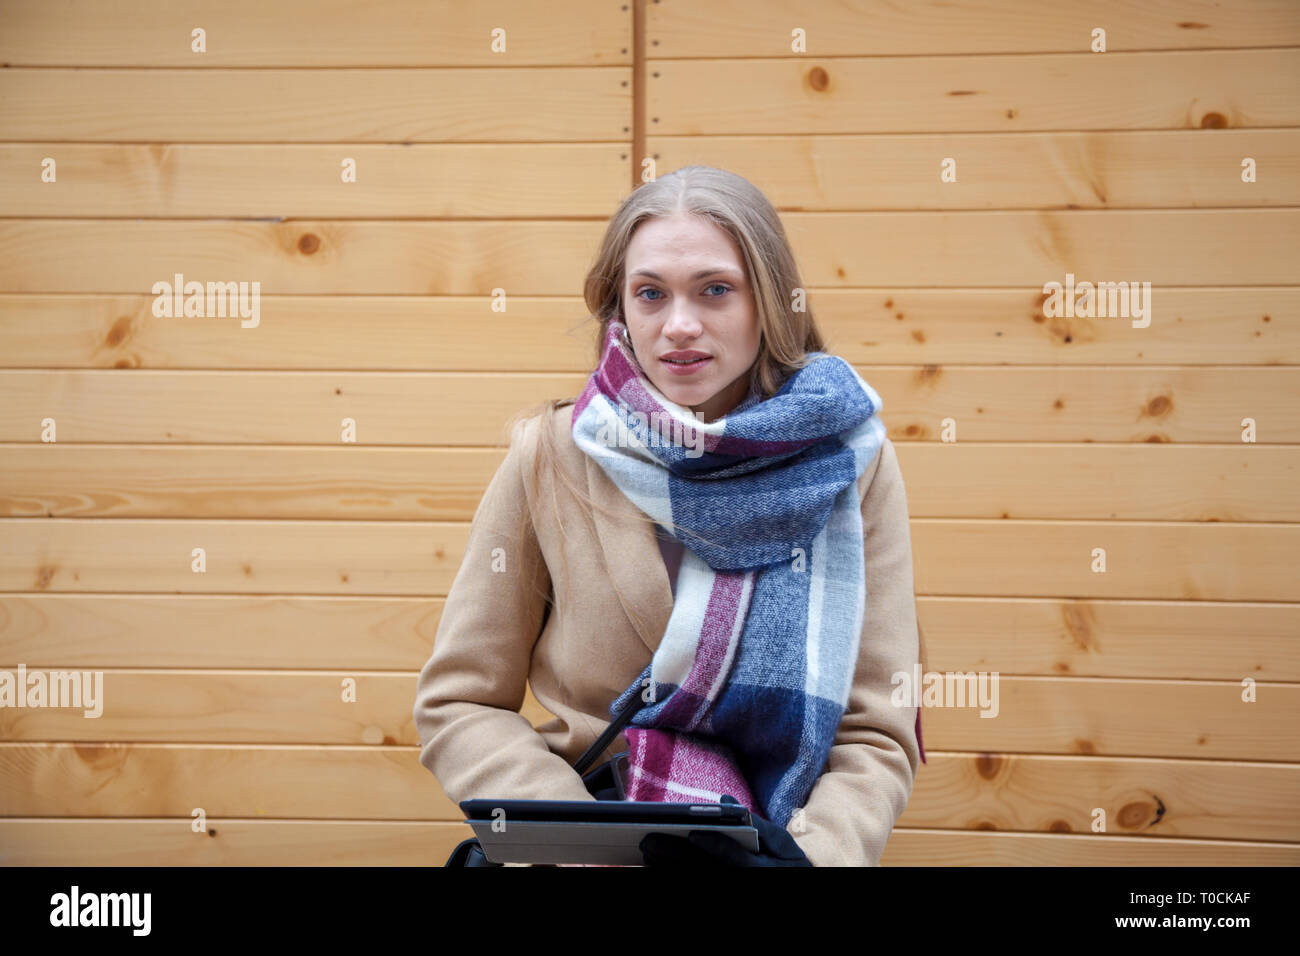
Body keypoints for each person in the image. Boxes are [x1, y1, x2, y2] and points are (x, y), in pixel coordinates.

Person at [414, 165, 927, 867]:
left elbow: (876, 730)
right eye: (650, 294)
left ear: (769, 302)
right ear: (621, 309)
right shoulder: (552, 456)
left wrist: (807, 862)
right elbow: (460, 702)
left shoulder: (851, 462)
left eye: (715, 290)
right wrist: (583, 844)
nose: (679, 325)